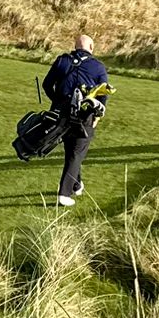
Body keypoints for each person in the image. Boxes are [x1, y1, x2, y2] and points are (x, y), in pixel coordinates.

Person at [42, 32, 110, 207]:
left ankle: (76, 184)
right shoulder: (98, 67)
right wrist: (97, 116)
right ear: (91, 48)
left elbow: (47, 84)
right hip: (83, 116)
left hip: (61, 116)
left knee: (72, 151)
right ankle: (64, 194)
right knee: (77, 152)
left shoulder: (62, 61)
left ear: (75, 46)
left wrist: (57, 102)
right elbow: (103, 94)